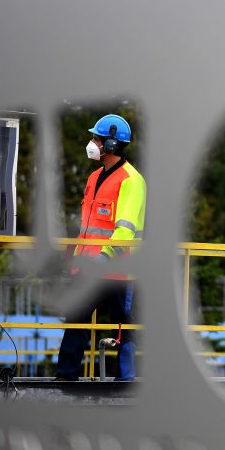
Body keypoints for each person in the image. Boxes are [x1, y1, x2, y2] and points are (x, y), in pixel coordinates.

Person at [55, 114, 146, 381]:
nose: (92, 143)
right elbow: (86, 228)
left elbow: (125, 230)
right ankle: (66, 377)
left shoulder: (131, 181)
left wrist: (103, 259)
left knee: (123, 326)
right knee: (77, 319)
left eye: (96, 139)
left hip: (118, 269)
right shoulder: (94, 177)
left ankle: (125, 381)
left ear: (111, 144)